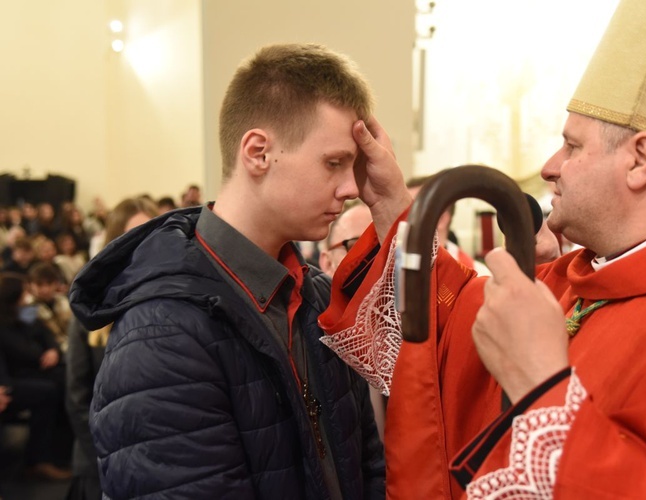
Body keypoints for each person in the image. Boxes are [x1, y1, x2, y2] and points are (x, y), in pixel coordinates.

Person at [318, 1, 646, 498]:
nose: (548, 167)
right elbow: (444, 324)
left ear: (640, 160)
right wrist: (393, 205)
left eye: (572, 146)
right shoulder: (578, 279)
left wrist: (544, 385)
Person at [69, 43, 384, 498]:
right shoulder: (164, 332)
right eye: (333, 163)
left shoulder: (314, 295)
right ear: (257, 153)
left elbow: (368, 466)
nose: (352, 187)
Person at [65, 197, 158, 500]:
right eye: (133, 235)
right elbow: (78, 395)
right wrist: (109, 451)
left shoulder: (169, 301)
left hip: (154, 462)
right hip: (98, 460)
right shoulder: (93, 308)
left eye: (151, 233)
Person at [318, 201, 387, 441]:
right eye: (357, 246)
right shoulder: (314, 345)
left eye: (383, 248)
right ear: (327, 263)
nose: (376, 261)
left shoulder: (420, 335)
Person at [0, 272, 72, 480]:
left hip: (33, 368)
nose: (29, 295)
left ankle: (59, 450)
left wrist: (53, 350)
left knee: (65, 379)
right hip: (13, 378)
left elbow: (46, 333)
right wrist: (40, 352)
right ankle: (39, 460)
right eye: (25, 292)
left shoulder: (23, 311)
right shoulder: (3, 320)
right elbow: (22, 351)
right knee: (49, 391)